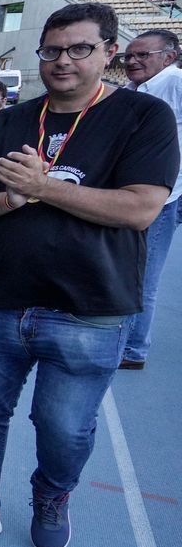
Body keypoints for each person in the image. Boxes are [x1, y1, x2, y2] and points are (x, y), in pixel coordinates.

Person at [0, 3, 178, 547]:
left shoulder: (143, 118)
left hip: (89, 308)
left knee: (63, 428)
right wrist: (12, 196)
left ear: (109, 52)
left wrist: (43, 188)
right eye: (51, 50)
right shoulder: (13, 122)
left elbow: (140, 209)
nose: (63, 61)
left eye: (79, 49)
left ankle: (52, 495)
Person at [117, 29, 182, 370]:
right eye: (129, 55)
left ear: (169, 57)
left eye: (143, 55)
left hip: (161, 196)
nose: (132, 61)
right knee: (126, 267)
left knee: (144, 276)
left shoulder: (175, 83)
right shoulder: (131, 91)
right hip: (126, 191)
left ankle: (133, 349)